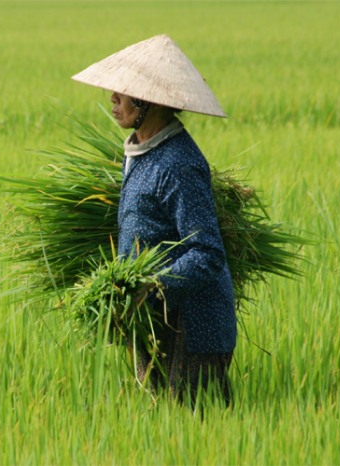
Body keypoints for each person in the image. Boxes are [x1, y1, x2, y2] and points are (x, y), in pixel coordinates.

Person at [72, 34, 237, 406]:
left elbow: (207, 252)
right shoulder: (141, 151)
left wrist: (150, 288)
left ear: (149, 102)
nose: (113, 98)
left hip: (193, 330)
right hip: (155, 325)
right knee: (162, 431)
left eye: (124, 91)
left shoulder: (179, 164)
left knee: (197, 435)